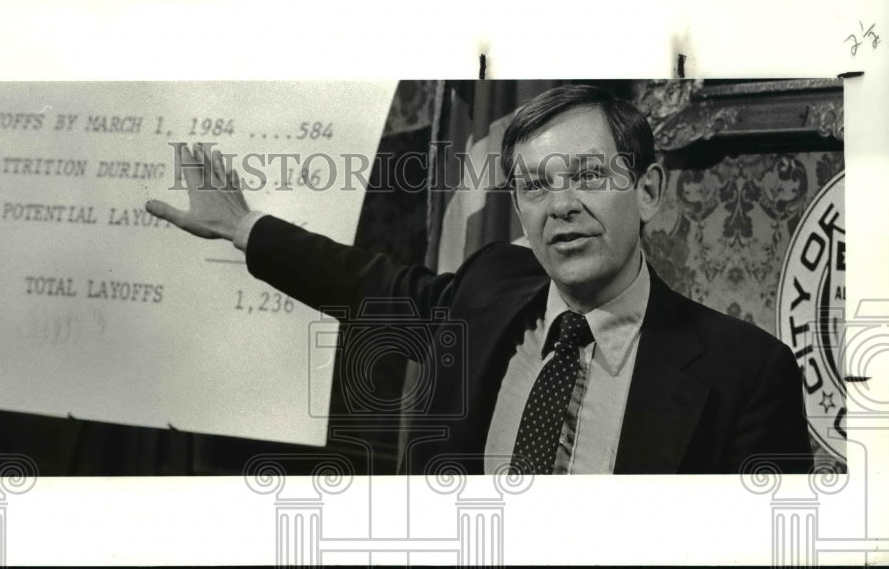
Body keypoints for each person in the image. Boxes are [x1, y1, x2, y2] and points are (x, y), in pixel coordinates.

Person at [146, 84, 812, 475]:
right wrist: (244, 227)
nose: (560, 206)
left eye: (585, 176)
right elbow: (364, 283)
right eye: (534, 185)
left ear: (648, 191)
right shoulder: (490, 289)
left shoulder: (747, 374)